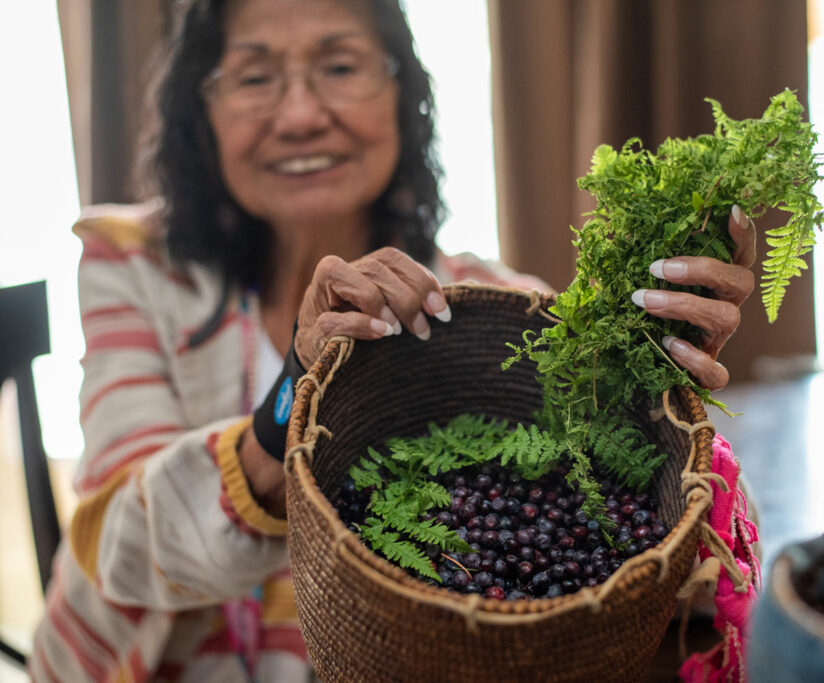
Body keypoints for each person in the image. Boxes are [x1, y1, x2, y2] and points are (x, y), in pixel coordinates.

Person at [29, 0, 756, 680]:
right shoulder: (131, 263)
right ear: (202, 111)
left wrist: (654, 386)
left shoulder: (483, 307)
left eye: (340, 66)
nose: (302, 113)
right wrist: (293, 394)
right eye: (254, 76)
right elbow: (116, 542)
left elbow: (666, 541)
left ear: (403, 98)